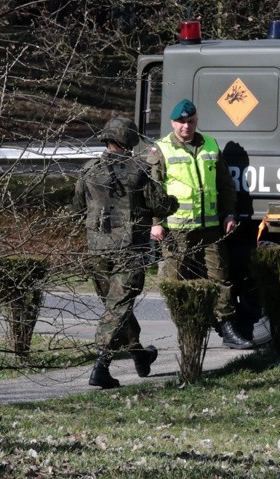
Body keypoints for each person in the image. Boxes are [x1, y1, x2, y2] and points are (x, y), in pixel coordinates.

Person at [72, 117, 179, 389]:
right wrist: (173, 202)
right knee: (118, 307)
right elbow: (161, 204)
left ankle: (140, 356)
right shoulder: (138, 171)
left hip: (97, 251)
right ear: (129, 141)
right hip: (128, 251)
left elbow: (77, 210)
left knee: (117, 306)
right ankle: (101, 366)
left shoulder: (87, 171)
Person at [148, 98, 254, 349]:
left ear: (197, 120)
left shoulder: (209, 144)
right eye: (182, 122)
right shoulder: (161, 149)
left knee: (221, 278)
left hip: (210, 228)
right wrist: (156, 222)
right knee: (175, 282)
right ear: (173, 123)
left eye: (191, 121)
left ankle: (227, 327)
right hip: (177, 229)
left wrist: (229, 214)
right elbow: (153, 191)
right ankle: (188, 330)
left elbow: (225, 184)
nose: (187, 126)